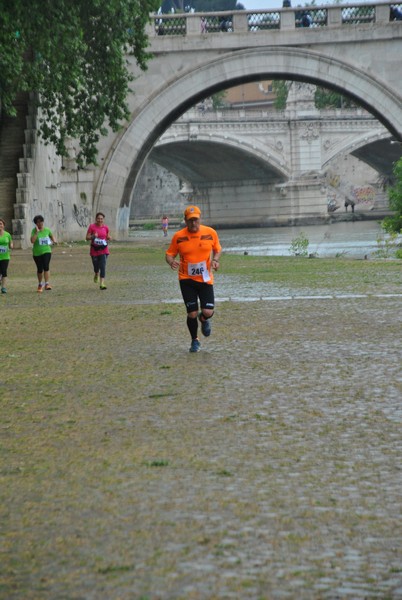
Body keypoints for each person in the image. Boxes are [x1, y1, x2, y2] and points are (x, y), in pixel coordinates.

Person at [165, 205, 222, 353]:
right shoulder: (179, 236)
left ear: (200, 218)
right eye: (190, 221)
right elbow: (169, 254)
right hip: (186, 279)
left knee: (208, 311)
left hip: (205, 279)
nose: (193, 223)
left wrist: (215, 260)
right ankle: (194, 340)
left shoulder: (210, 233)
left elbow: (217, 249)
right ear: (185, 220)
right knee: (192, 313)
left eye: (195, 220)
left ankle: (204, 320)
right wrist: (171, 262)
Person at [30, 215, 56, 292]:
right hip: (37, 253)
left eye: (41, 221)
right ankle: (40, 284)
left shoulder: (47, 230)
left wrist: (54, 240)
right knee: (40, 269)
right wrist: (37, 233)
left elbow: (51, 236)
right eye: (38, 222)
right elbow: (32, 241)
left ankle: (47, 284)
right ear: (36, 223)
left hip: (47, 251)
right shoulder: (33, 231)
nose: (40, 223)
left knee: (46, 266)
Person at [86, 212, 111, 290]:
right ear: (96, 219)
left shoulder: (106, 228)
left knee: (102, 266)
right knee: (96, 266)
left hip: (104, 250)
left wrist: (109, 237)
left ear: (103, 219)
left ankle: (102, 283)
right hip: (94, 250)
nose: (100, 220)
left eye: (101, 219)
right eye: (98, 219)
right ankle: (96, 273)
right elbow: (87, 237)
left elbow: (107, 236)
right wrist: (93, 236)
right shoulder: (92, 227)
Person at [0, 218, 13, 294]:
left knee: (4, 271)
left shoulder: (7, 234)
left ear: (3, 225)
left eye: (1, 224)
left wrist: (11, 245)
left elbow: (10, 242)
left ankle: (3, 288)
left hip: (5, 256)